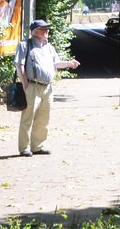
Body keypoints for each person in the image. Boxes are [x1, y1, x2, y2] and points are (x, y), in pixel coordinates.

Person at [14, 19, 80, 156]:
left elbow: (56, 63)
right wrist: (25, 83)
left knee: (44, 118)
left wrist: (69, 63)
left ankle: (37, 146)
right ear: (35, 31)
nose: (47, 31)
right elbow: (19, 65)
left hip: (48, 88)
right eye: (44, 29)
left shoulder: (49, 47)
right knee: (28, 118)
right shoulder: (25, 45)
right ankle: (24, 148)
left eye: (47, 29)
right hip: (32, 86)